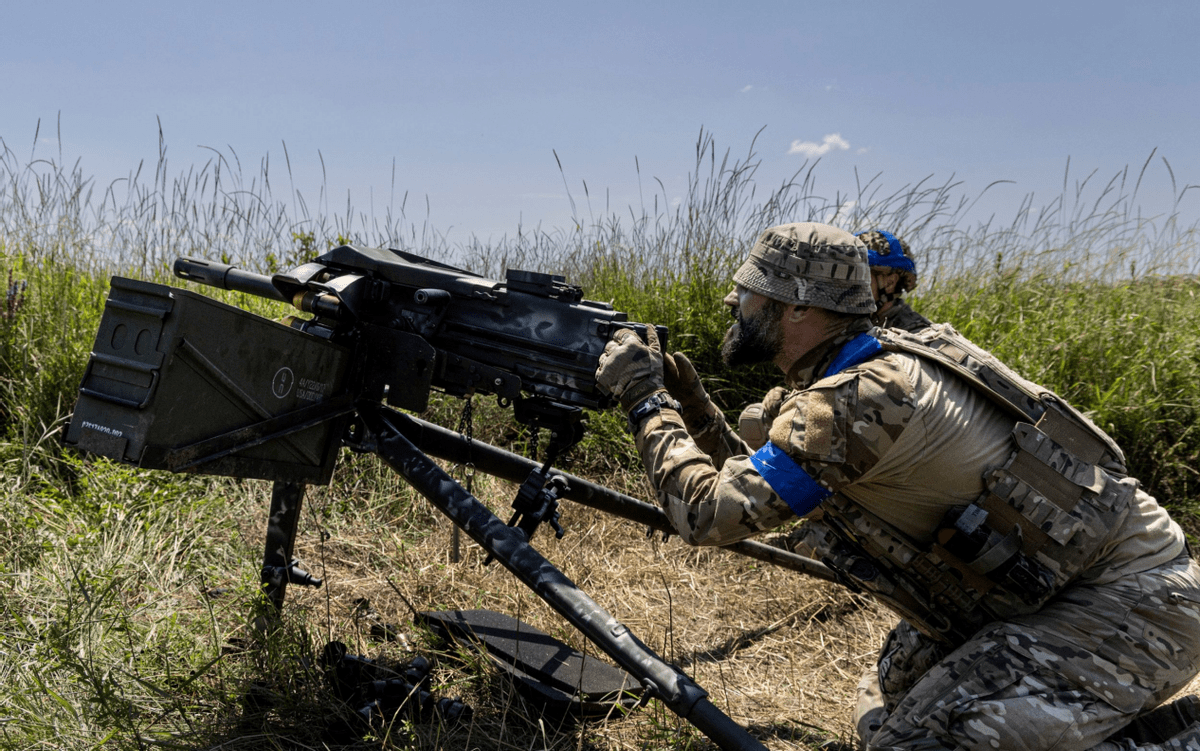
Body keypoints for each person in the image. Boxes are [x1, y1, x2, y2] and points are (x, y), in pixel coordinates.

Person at [594, 221, 1200, 750]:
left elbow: (706, 515)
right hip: (1042, 597)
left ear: (798, 307)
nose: (733, 301)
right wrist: (693, 405)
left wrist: (645, 400)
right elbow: (755, 488)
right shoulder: (856, 375)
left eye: (750, 291)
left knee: (921, 744)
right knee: (883, 715)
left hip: (1134, 603)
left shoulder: (863, 400)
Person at [737, 228, 930, 451]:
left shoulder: (914, 334)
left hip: (891, 438)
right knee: (756, 418)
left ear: (890, 281)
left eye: (861, 276)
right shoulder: (848, 322)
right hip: (848, 416)